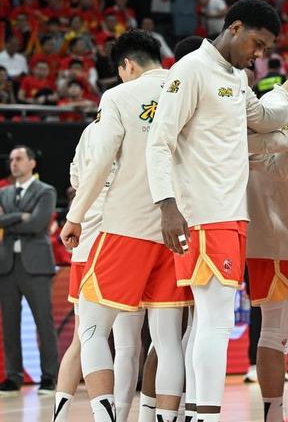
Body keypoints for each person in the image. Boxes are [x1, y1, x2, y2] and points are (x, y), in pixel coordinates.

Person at [146, 0, 288, 422]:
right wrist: (167, 205)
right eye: (257, 43)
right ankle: (207, 416)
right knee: (215, 323)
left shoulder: (235, 77)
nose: (258, 54)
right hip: (204, 214)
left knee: (205, 322)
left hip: (230, 215)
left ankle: (197, 414)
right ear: (234, 28)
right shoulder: (191, 69)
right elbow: (159, 142)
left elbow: (263, 118)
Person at [60, 30, 193, 422]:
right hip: (178, 231)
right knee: (168, 340)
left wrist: (75, 215)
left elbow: (100, 163)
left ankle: (107, 418)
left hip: (128, 228)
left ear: (127, 65)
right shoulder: (188, 87)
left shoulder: (120, 96)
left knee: (91, 329)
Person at [54, 126, 144, 422]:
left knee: (83, 339)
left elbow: (75, 178)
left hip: (84, 247)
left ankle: (59, 416)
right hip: (118, 245)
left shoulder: (89, 133)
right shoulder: (136, 124)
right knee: (127, 343)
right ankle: (119, 416)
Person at [246, 56, 288, 422]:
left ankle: (276, 413)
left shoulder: (273, 105)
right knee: (275, 334)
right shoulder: (276, 103)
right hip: (275, 237)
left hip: (275, 234)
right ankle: (275, 414)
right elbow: (280, 168)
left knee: (279, 333)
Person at [0, 146, 58, 396]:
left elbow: (37, 223)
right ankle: (13, 376)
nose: (13, 163)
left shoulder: (46, 191)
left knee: (43, 321)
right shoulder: (3, 192)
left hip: (36, 265)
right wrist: (20, 216)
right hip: (7, 265)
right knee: (9, 323)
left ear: (32, 163)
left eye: (19, 158)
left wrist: (10, 220)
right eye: (11, 159)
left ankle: (49, 376)